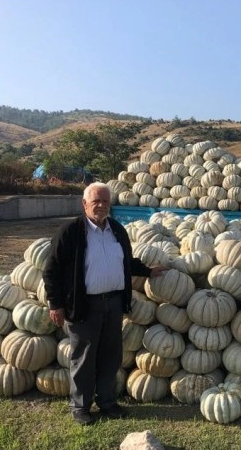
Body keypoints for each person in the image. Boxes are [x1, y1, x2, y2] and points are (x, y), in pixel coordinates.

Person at [43, 182, 166, 425]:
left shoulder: (117, 230)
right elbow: (51, 269)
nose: (100, 205)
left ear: (110, 204)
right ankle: (80, 406)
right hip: (83, 305)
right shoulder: (70, 231)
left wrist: (148, 271)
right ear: (84, 204)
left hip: (113, 302)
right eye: (96, 201)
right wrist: (55, 303)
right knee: (84, 356)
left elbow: (126, 261)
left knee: (111, 355)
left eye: (105, 201)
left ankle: (107, 401)